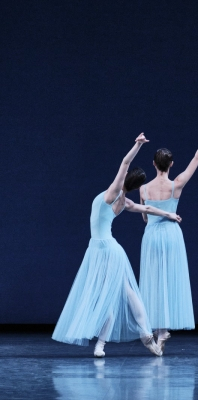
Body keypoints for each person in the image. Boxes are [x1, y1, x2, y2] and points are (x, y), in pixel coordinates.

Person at [52, 133, 182, 358]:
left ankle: (107, 344)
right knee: (127, 295)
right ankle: (143, 336)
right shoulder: (125, 201)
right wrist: (168, 213)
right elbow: (148, 210)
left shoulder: (112, 193)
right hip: (106, 250)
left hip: (103, 251)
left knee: (111, 299)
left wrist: (137, 145)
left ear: (125, 180)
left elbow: (125, 162)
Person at [139, 124, 198, 352]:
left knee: (155, 281)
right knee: (168, 281)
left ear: (154, 164)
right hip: (171, 234)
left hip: (152, 236)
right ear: (171, 165)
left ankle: (160, 330)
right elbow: (197, 157)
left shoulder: (144, 190)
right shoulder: (176, 185)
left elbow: (145, 218)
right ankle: (163, 330)